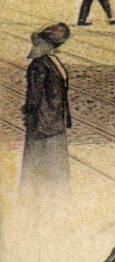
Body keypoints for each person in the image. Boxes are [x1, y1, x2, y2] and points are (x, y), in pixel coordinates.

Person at [20, 23, 73, 193]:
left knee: (52, 162)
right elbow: (33, 97)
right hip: (44, 122)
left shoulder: (51, 61)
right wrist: (31, 116)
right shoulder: (39, 66)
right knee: (40, 160)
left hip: (54, 120)